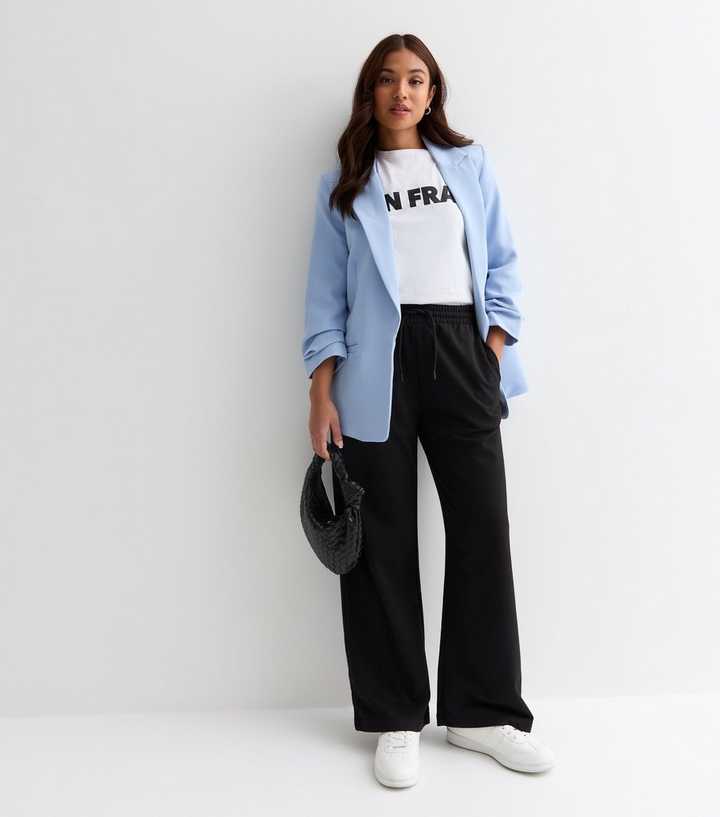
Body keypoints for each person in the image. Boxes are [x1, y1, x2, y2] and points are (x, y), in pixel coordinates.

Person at [301, 33, 555, 788]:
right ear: (370, 93)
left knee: (482, 528)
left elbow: (503, 262)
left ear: (433, 92)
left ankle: (482, 712)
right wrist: (320, 390)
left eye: (416, 80)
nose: (402, 92)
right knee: (380, 539)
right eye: (388, 80)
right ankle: (394, 715)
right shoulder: (344, 186)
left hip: (460, 349)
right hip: (374, 366)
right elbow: (326, 295)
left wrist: (492, 349)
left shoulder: (468, 166)